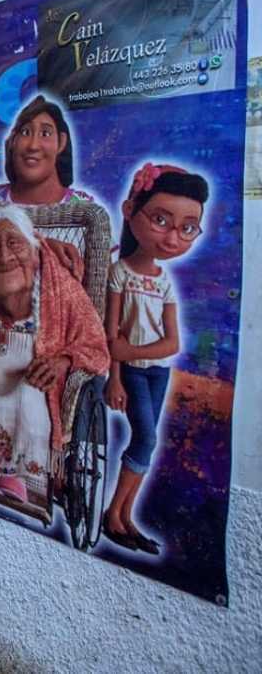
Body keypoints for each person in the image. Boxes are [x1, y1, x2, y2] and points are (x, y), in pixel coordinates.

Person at [0, 204, 109, 503]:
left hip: (29, 374)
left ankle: (19, 473)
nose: (4, 256)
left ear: (33, 249)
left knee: (29, 400)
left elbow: (96, 346)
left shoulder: (61, 287)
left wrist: (63, 361)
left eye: (14, 244)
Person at [103, 165, 209, 555]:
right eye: (161, 221)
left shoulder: (163, 282)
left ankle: (124, 515)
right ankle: (113, 514)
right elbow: (112, 333)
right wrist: (115, 376)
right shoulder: (120, 273)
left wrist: (132, 351)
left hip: (155, 372)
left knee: (147, 441)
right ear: (131, 211)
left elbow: (172, 342)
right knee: (145, 437)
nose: (172, 237)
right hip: (132, 373)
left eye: (188, 228)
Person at [0, 95, 94, 280]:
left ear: (61, 142)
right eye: (25, 132)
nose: (33, 145)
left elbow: (102, 279)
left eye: (45, 133)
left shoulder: (85, 209)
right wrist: (43, 246)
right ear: (12, 141)